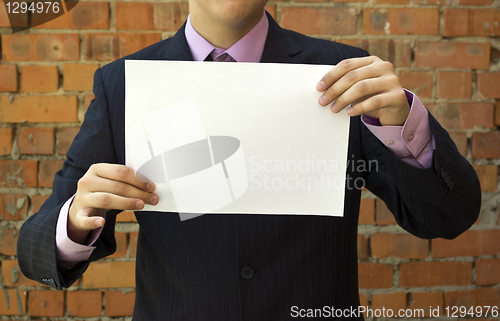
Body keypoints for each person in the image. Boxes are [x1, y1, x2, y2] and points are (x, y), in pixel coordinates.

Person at [18, 0, 481, 320]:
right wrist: (76, 219)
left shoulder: (343, 77)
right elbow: (36, 248)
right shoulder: (123, 85)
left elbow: (447, 216)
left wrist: (403, 124)